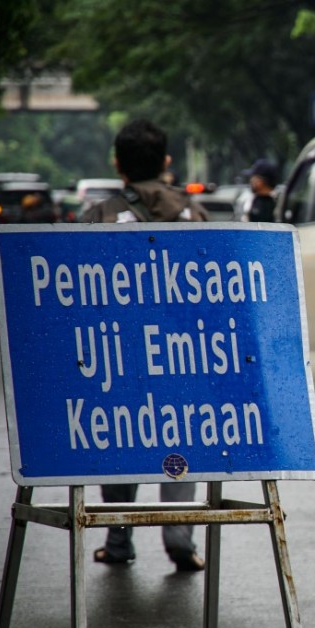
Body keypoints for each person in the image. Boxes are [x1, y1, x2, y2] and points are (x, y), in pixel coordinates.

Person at [82, 119, 210, 570]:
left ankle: (118, 543)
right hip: (185, 359)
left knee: (119, 445)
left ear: (117, 164)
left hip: (120, 361)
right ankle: (180, 537)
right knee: (181, 446)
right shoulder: (194, 214)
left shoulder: (97, 217)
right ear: (167, 162)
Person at [245, 158, 279, 222]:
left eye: (254, 177)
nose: (251, 180)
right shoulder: (256, 199)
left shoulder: (272, 205)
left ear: (262, 181)